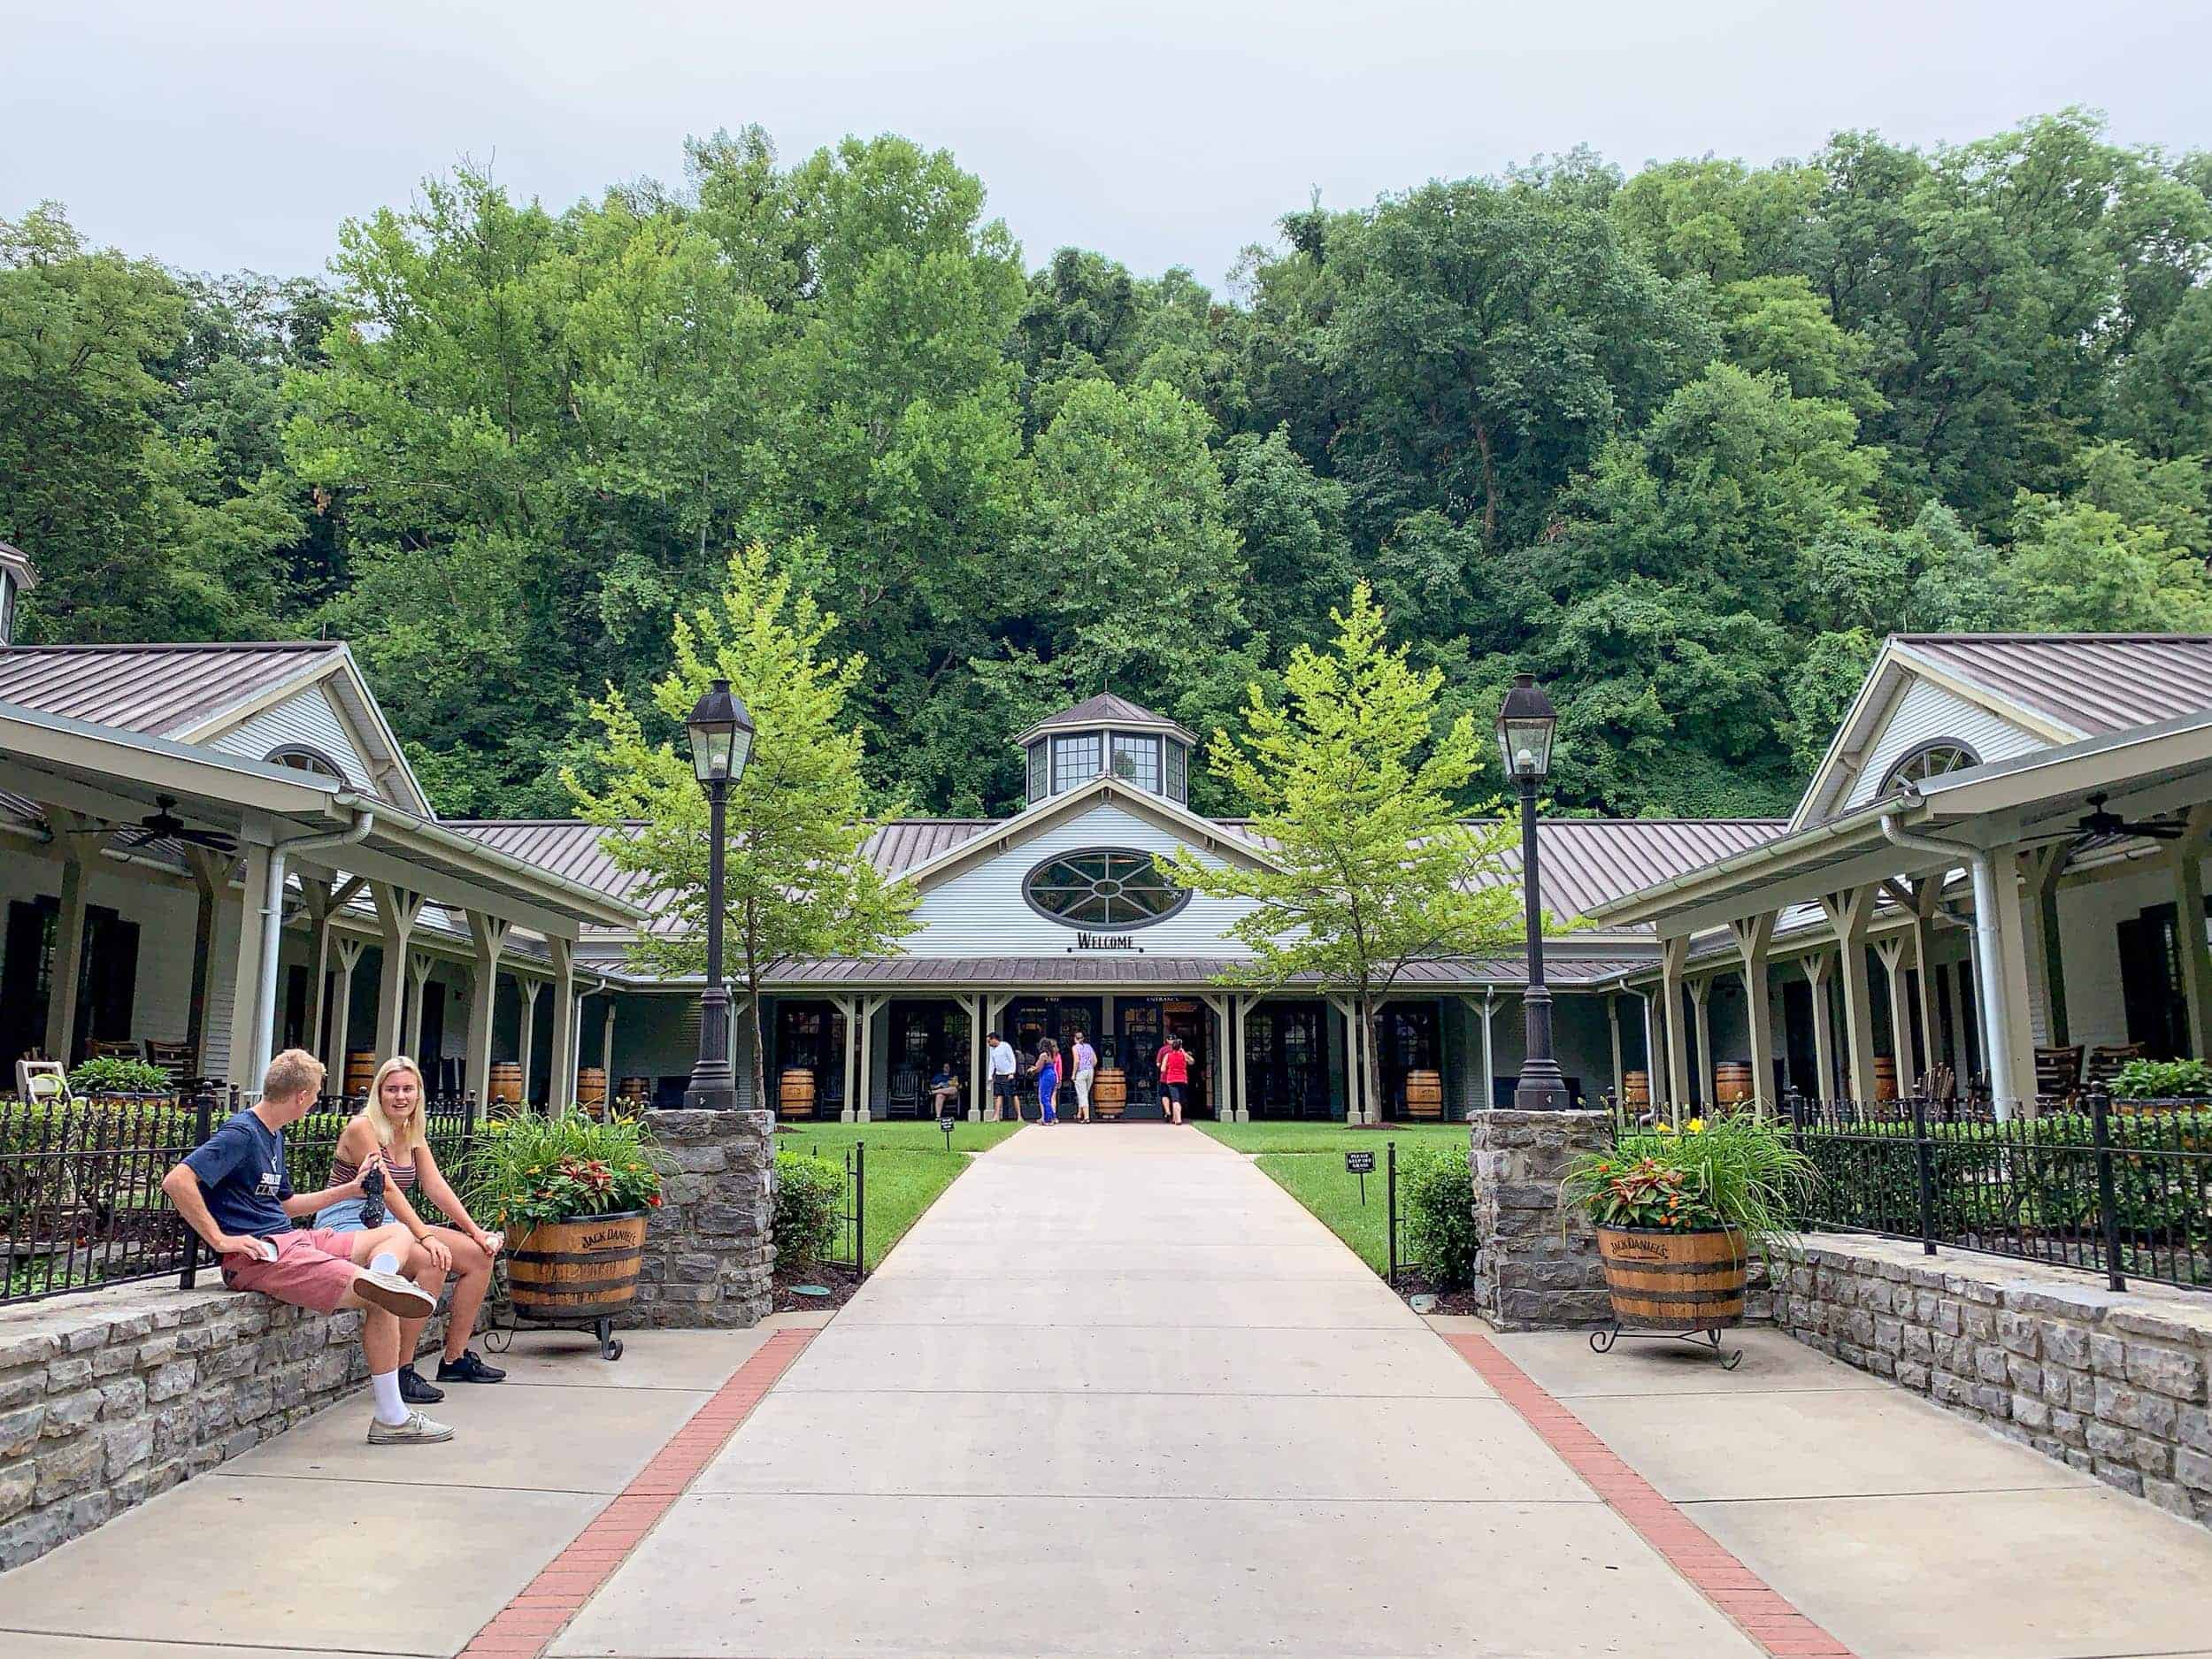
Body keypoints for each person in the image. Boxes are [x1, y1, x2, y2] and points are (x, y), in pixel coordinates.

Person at [160, 1048, 455, 1446]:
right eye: (315, 1094)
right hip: (263, 1255)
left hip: (292, 1237)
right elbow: (177, 1181)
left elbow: (286, 1205)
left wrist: (349, 1190)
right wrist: (220, 1240)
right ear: (300, 1096)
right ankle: (391, 1417)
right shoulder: (241, 1133)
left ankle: (383, 1278)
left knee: (397, 1233)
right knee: (380, 1301)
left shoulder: (271, 1135)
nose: (316, 1102)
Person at [315, 1056, 506, 1404]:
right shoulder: (363, 1128)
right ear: (379, 1093)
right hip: (350, 1220)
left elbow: (435, 1186)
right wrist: (426, 1235)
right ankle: (401, 1371)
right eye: (391, 1090)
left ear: (418, 1093)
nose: (400, 1096)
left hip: (390, 1222)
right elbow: (387, 1189)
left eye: (408, 1089)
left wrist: (476, 1231)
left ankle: (455, 1359)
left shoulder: (411, 1132)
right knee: (433, 1259)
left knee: (479, 1256)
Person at [1155, 1033, 1191, 1125]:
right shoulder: (1182, 1053)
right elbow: (1191, 1061)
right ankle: (1176, 1118)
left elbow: (1159, 1066)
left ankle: (1168, 1112)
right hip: (1182, 1079)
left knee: (1166, 1095)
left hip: (1167, 1078)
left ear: (1167, 1041)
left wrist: (1167, 1066)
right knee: (1177, 1099)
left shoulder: (1164, 1051)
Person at [986, 1030, 1022, 1122]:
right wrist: (990, 1075)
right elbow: (992, 1062)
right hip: (999, 1075)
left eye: (989, 1041)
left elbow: (1012, 1059)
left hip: (1008, 1075)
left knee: (1014, 1094)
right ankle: (996, 1117)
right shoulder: (992, 1049)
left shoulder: (1005, 1046)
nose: (988, 1043)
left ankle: (1019, 1116)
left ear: (994, 1040)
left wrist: (1011, 1072)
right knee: (998, 1095)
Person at [1070, 1030, 1098, 1123]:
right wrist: (1090, 1067)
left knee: (1082, 1095)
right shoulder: (1089, 1047)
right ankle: (1079, 1114)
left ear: (1075, 1039)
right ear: (1083, 1038)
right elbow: (1095, 1060)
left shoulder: (1075, 1047)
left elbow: (1077, 1061)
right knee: (1085, 1093)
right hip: (1090, 1071)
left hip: (1081, 1072)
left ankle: (1086, 1117)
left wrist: (1074, 1074)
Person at [1030, 1038, 1061, 1125]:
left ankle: (1048, 1119)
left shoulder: (1043, 1055)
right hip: (1053, 1074)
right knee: (1049, 1097)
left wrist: (1032, 1070)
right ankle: (1053, 1117)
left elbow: (1039, 1068)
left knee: (1044, 1098)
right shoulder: (1051, 1054)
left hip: (1046, 1076)